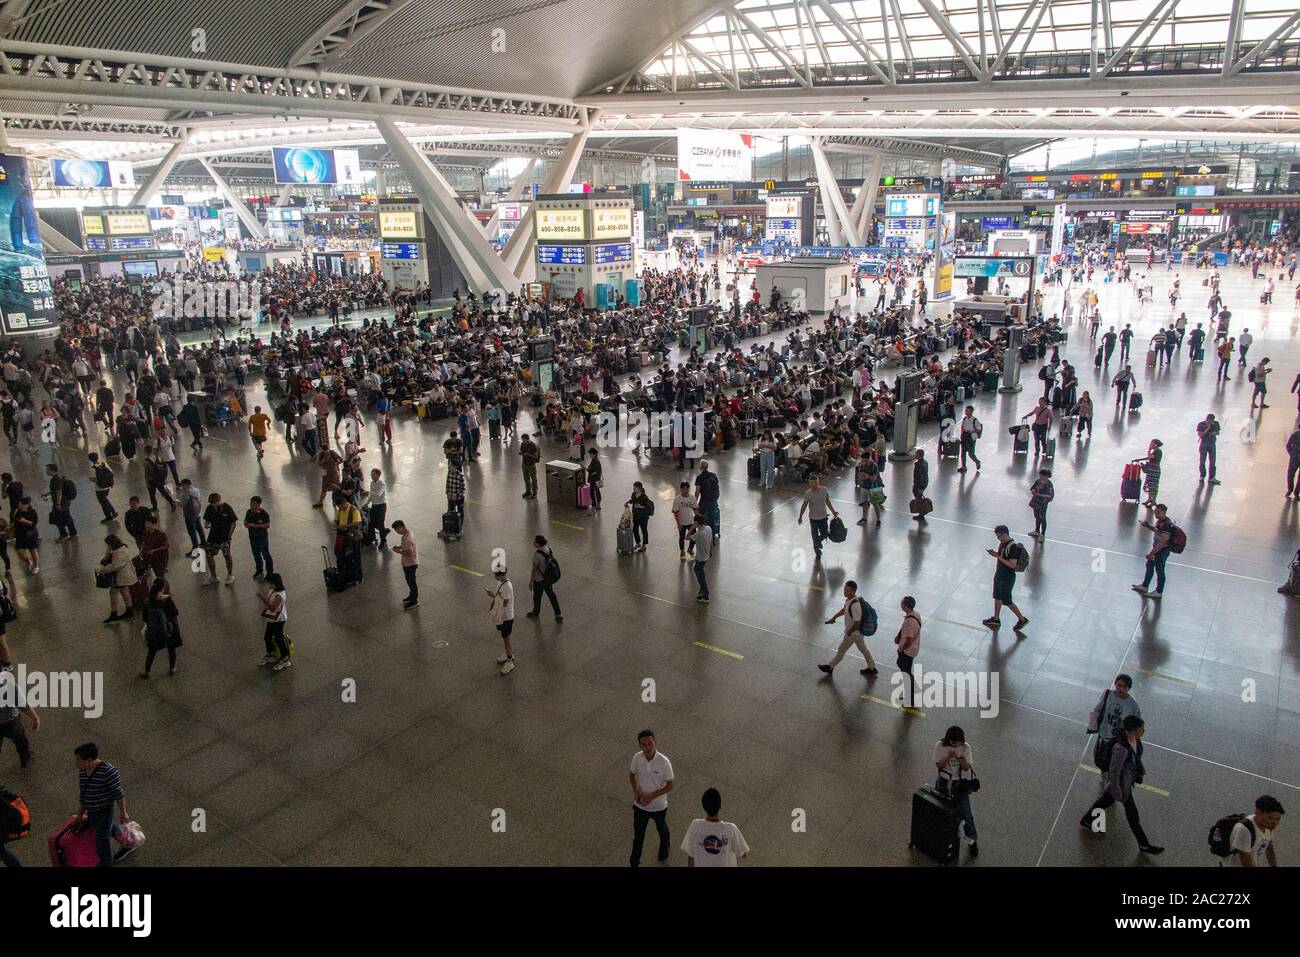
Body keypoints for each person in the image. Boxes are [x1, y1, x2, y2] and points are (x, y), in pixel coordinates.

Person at [1079, 715, 1164, 854]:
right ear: (1132, 731)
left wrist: (1138, 771)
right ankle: (1144, 844)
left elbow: (1136, 758)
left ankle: (1087, 820)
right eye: (1141, 729)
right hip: (1121, 785)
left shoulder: (1135, 740)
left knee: (1105, 801)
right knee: (1132, 815)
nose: (1143, 731)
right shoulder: (1121, 748)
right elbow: (1114, 771)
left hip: (1125, 781)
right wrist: (1117, 791)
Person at [74, 742, 131, 867]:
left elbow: (119, 794)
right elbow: (83, 793)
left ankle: (105, 863)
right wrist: (80, 813)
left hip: (105, 811)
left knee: (101, 842)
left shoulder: (109, 772)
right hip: (92, 811)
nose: (76, 763)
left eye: (78, 759)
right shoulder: (83, 771)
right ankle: (129, 842)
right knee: (109, 828)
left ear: (88, 760)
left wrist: (124, 813)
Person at [629, 729, 674, 867]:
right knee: (638, 837)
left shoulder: (664, 762)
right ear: (640, 746)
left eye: (650, 743)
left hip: (659, 807)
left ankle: (663, 854)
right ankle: (634, 863)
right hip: (640, 806)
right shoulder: (637, 758)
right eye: (644, 745)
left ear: (655, 742)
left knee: (662, 831)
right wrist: (636, 791)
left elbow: (670, 785)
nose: (647, 747)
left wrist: (652, 795)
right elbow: (632, 775)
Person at [818, 579, 878, 676]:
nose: (844, 592)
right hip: (858, 634)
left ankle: (830, 666)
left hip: (854, 633)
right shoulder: (850, 600)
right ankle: (872, 667)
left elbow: (857, 623)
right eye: (844, 589)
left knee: (841, 649)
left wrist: (849, 632)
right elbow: (844, 609)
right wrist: (834, 617)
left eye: (847, 590)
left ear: (853, 591)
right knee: (863, 649)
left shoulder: (855, 605)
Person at [934, 726, 978, 857]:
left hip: (959, 784)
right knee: (941, 811)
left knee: (966, 813)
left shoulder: (966, 747)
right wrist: (948, 756)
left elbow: (966, 768)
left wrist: (961, 758)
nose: (957, 745)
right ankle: (940, 837)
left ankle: (972, 840)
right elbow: (939, 765)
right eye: (954, 743)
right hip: (944, 781)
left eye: (959, 743)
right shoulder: (940, 746)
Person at [681, 788, 750, 867]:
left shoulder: (695, 826)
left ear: (704, 807)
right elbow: (742, 853)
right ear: (720, 807)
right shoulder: (730, 829)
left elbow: (691, 855)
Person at [1086, 674, 1141, 767]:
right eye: (1119, 685)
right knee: (1101, 758)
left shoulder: (1133, 705)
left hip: (1119, 739)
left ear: (1129, 689)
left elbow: (1136, 723)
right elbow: (1098, 709)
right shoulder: (1108, 695)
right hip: (1105, 734)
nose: (1121, 689)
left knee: (1115, 760)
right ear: (1115, 684)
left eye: (1125, 687)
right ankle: (1104, 771)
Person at [983, 525, 1029, 631]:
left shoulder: (1013, 547)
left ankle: (1022, 619)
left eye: (999, 536)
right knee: (997, 596)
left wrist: (997, 556)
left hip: (1007, 577)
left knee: (1007, 600)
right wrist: (996, 554)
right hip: (1000, 574)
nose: (998, 538)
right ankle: (996, 618)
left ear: (1005, 534)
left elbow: (1012, 565)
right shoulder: (1003, 544)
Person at [1225, 795, 1285, 867]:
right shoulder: (1245, 829)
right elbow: (1245, 858)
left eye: (1278, 819)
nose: (1275, 822)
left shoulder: (1268, 826)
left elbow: (1269, 847)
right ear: (1257, 812)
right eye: (1270, 818)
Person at [139, 577, 181, 678]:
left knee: (152, 651)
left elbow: (145, 618)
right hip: (169, 628)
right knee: (171, 648)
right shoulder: (167, 599)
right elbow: (175, 612)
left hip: (154, 631)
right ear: (163, 587)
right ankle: (172, 668)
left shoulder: (147, 602)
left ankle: (147, 671)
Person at [0, 663, 39, 768]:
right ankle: (25, 758)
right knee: (20, 740)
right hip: (11, 722)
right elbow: (23, 705)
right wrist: (35, 717)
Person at [1133, 504, 1173, 599]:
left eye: (1158, 512)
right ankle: (1145, 585)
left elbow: (1163, 541)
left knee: (1160, 570)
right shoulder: (1160, 521)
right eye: (1155, 511)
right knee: (1150, 565)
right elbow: (1157, 530)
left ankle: (1159, 591)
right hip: (1157, 549)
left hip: (1161, 550)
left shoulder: (1167, 524)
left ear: (1164, 512)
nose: (1156, 514)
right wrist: (1148, 526)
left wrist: (1152, 553)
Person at [255, 572, 292, 671]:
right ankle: (270, 654)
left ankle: (285, 658)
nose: (269, 585)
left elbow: (272, 608)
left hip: (279, 619)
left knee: (278, 637)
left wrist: (263, 599)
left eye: (270, 583)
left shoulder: (280, 595)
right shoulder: (273, 590)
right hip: (272, 618)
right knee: (267, 636)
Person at [797, 474, 838, 559]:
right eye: (810, 483)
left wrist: (833, 512)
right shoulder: (808, 493)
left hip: (823, 517)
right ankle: (817, 551)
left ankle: (817, 543)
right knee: (814, 535)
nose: (811, 485)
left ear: (817, 482)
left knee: (824, 533)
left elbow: (828, 502)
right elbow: (804, 505)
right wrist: (800, 516)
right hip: (813, 519)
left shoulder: (824, 490)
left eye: (813, 483)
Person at [202, 492, 238, 586]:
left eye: (214, 502)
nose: (213, 504)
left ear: (219, 500)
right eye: (211, 503)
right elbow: (207, 520)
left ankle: (230, 575)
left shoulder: (227, 508)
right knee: (209, 555)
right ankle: (213, 576)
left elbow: (233, 523)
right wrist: (206, 524)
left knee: (227, 555)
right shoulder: (210, 508)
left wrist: (229, 536)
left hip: (224, 537)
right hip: (213, 537)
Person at [99, 534, 135, 624]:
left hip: (121, 577)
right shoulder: (121, 549)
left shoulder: (119, 553)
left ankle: (114, 614)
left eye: (108, 544)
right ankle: (129, 610)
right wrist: (108, 554)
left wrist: (101, 570)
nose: (107, 546)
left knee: (113, 594)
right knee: (125, 591)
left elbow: (115, 566)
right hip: (124, 576)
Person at [486, 567, 514, 674]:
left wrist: (492, 595)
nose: (494, 577)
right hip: (502, 616)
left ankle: (510, 661)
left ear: (502, 575)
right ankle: (508, 653)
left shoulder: (507, 586)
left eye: (496, 575)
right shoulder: (501, 582)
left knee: (506, 638)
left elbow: (505, 603)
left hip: (506, 616)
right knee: (504, 636)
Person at [527, 535, 562, 621]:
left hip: (539, 579)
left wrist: (531, 581)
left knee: (537, 597)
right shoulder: (548, 549)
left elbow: (534, 570)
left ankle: (535, 613)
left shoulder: (537, 555)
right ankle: (558, 613)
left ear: (538, 544)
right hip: (547, 578)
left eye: (535, 542)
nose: (533, 543)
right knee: (551, 595)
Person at [895, 596, 921, 708]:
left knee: (906, 672)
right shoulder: (916, 614)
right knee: (906, 670)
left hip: (907, 651)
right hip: (914, 648)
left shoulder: (909, 621)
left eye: (902, 602)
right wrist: (899, 635)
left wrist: (901, 649)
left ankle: (909, 698)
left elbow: (909, 639)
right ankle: (909, 694)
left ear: (905, 605)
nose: (900, 603)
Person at [43, 463, 76, 542]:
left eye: (47, 469)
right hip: (64, 501)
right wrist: (47, 494)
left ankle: (64, 534)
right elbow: (56, 490)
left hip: (61, 503)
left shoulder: (56, 480)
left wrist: (58, 504)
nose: (46, 471)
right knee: (67, 517)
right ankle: (73, 533)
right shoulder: (58, 478)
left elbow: (59, 492)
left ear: (52, 470)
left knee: (58, 519)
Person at [243, 496, 273, 579]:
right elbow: (245, 521)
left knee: (265, 554)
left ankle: (270, 572)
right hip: (252, 537)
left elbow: (267, 525)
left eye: (253, 503)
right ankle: (259, 570)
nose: (251, 504)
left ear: (258, 504)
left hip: (262, 538)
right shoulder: (249, 512)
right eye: (251, 503)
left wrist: (255, 525)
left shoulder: (264, 514)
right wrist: (246, 524)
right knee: (256, 554)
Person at [391, 520, 418, 609]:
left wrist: (399, 551)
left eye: (397, 530)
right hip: (408, 563)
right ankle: (411, 595)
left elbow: (409, 553)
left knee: (411, 581)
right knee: (409, 580)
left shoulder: (407, 539)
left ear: (401, 528)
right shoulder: (408, 533)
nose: (397, 532)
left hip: (410, 563)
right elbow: (407, 547)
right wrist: (400, 547)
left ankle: (414, 600)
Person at [694, 460, 721, 541]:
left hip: (704, 501)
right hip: (713, 500)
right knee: (712, 519)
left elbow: (697, 491)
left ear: (700, 467)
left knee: (700, 518)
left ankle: (702, 535)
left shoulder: (699, 477)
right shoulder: (713, 475)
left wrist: (695, 502)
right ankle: (712, 537)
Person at [688, 517, 713, 603]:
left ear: (697, 523)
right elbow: (711, 539)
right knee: (700, 571)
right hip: (706, 555)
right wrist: (710, 551)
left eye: (694, 522)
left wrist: (691, 528)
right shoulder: (708, 528)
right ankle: (701, 591)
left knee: (699, 573)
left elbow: (687, 537)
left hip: (700, 557)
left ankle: (705, 594)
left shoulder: (699, 534)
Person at [13, 497, 40, 575]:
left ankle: (36, 565)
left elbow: (34, 523)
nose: (20, 505)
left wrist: (24, 521)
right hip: (19, 534)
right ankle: (28, 561)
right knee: (20, 552)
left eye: (22, 504)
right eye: (20, 503)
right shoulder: (18, 512)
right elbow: (15, 520)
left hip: (30, 534)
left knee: (33, 550)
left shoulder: (32, 512)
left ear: (27, 505)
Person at [88, 452, 117, 523]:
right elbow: (111, 473)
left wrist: (90, 479)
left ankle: (110, 515)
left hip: (99, 488)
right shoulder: (104, 464)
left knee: (103, 502)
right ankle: (112, 513)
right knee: (105, 500)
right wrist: (112, 482)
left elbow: (94, 479)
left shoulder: (93, 468)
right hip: (107, 486)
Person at [626, 481, 654, 553]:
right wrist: (628, 502)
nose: (634, 489)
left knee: (644, 530)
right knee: (635, 529)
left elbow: (648, 507)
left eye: (635, 488)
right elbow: (633, 500)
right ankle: (638, 543)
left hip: (643, 516)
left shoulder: (644, 497)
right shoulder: (633, 494)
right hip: (635, 515)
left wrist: (641, 506)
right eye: (633, 488)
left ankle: (644, 545)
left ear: (639, 488)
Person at [1027, 468, 1054, 540]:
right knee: (1037, 517)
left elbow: (1050, 495)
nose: (1040, 477)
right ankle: (1037, 530)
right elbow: (1033, 487)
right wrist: (1033, 490)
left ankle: (1043, 534)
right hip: (1036, 501)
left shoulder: (1049, 485)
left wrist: (1040, 494)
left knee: (1042, 517)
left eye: (1042, 476)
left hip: (1043, 503)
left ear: (1046, 476)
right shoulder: (1038, 481)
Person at [671, 482, 695, 559]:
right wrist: (678, 523)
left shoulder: (692, 498)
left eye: (687, 488)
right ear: (681, 489)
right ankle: (682, 551)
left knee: (694, 536)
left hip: (691, 521)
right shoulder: (677, 499)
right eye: (683, 488)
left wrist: (697, 521)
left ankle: (690, 549)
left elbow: (695, 509)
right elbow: (675, 512)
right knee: (681, 537)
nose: (685, 490)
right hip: (682, 522)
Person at [1136, 439, 1163, 507]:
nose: (1150, 444)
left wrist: (1149, 450)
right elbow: (1148, 458)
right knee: (1150, 484)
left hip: (1154, 471)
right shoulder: (1155, 451)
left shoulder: (1158, 451)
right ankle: (1149, 499)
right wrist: (1139, 460)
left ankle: (1153, 501)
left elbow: (1150, 457)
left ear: (1155, 444)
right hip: (1151, 470)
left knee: (1153, 486)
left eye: (1151, 443)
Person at [366, 468, 389, 549]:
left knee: (380, 524)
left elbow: (378, 494)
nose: (371, 476)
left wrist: (368, 492)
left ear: (378, 475)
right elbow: (371, 496)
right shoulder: (372, 483)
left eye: (373, 475)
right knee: (371, 523)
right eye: (371, 475)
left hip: (381, 506)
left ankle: (383, 540)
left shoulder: (382, 484)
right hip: (374, 506)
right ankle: (371, 538)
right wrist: (366, 503)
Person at [1196, 413, 1221, 485]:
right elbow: (1200, 435)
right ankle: (1202, 476)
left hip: (1212, 443)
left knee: (1213, 461)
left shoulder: (1216, 423)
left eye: (1211, 421)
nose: (1210, 422)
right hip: (1204, 444)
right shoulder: (1201, 424)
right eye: (1208, 420)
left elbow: (1218, 432)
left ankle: (1212, 477)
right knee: (1202, 460)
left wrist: (1214, 433)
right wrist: (1208, 428)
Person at [957, 406, 982, 472]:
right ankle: (963, 466)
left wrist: (972, 431)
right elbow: (962, 426)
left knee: (971, 453)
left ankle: (977, 461)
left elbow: (979, 429)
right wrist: (961, 434)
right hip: (965, 436)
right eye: (965, 410)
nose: (965, 412)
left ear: (971, 411)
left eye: (967, 410)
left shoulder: (975, 420)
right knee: (963, 452)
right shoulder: (965, 418)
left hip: (970, 437)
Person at [518, 433, 540, 498]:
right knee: (526, 479)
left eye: (524, 440)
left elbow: (535, 456)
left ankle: (534, 492)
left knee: (533, 479)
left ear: (527, 439)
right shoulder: (522, 444)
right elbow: (522, 451)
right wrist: (521, 453)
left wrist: (528, 454)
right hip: (524, 464)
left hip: (531, 464)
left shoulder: (533, 446)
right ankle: (528, 491)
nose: (523, 441)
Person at [910, 448, 930, 518]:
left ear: (919, 455)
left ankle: (922, 513)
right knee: (917, 496)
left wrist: (920, 488)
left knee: (918, 498)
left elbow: (920, 477)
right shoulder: (925, 462)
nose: (915, 455)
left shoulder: (919, 465)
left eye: (916, 454)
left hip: (920, 485)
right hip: (923, 483)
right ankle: (921, 512)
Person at [1286, 424, 1300, 500]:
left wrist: (1291, 454)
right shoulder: (1294, 435)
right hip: (1294, 458)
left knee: (1290, 474)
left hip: (1294, 459)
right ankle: (1297, 492)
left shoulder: (1294, 435)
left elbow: (1288, 445)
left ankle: (1290, 489)